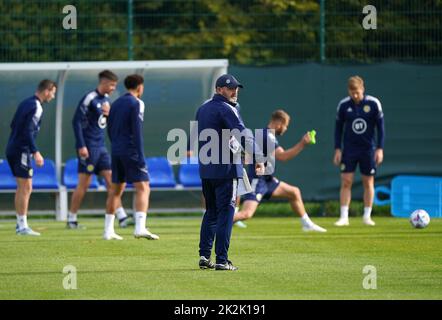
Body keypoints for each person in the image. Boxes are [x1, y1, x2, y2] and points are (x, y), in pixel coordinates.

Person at [196, 74, 265, 271]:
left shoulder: (202, 108)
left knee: (211, 212)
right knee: (226, 213)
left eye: (236, 88)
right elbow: (242, 134)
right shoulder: (228, 108)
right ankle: (222, 260)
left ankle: (204, 255)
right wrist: (259, 157)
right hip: (225, 170)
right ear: (219, 90)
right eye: (229, 88)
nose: (234, 91)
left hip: (207, 169)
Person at [233, 110, 327, 233]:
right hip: (258, 180)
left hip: (268, 180)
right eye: (285, 125)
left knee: (294, 192)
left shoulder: (267, 135)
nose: (285, 129)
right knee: (246, 214)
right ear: (279, 123)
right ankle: (216, 221)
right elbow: (283, 157)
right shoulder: (268, 136)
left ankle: (307, 224)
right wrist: (302, 144)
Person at [69, 70, 129, 229]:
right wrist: (81, 145)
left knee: (112, 180)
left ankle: (122, 216)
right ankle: (71, 219)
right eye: (112, 85)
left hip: (101, 147)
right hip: (88, 147)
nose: (113, 88)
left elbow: (105, 122)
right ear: (103, 82)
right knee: (84, 184)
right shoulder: (90, 98)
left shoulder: (107, 100)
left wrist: (110, 114)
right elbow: (76, 122)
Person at [104, 74, 159, 240]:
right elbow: (137, 130)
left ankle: (108, 231)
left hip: (116, 150)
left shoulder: (116, 103)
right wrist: (140, 155)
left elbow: (109, 128)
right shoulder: (137, 103)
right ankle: (140, 227)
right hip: (131, 151)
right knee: (143, 187)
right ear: (139, 87)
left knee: (115, 190)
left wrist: (116, 145)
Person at [5, 79, 57, 236]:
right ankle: (22, 226)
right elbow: (27, 131)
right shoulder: (36, 106)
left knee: (24, 187)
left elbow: (13, 125)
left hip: (14, 148)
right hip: (21, 150)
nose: (53, 97)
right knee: (26, 187)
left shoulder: (25, 103)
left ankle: (21, 224)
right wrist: (35, 152)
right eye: (53, 93)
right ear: (47, 91)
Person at [333, 76, 385, 226]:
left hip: (368, 150)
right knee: (346, 181)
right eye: (352, 92)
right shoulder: (343, 106)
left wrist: (380, 149)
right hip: (349, 150)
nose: (355, 95)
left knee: (368, 182)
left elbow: (381, 129)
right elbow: (338, 129)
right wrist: (337, 149)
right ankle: (344, 217)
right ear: (348, 91)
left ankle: (367, 216)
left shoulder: (374, 104)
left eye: (357, 92)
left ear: (363, 89)